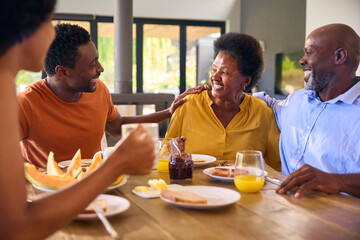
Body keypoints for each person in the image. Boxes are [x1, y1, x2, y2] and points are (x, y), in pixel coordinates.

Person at [0, 1, 155, 239]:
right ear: (26, 27)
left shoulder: (6, 83)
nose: (52, 35)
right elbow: (16, 227)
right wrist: (118, 163)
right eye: (49, 23)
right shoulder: (13, 95)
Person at [17, 23, 202, 167]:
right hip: (47, 192)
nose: (101, 69)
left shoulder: (99, 90)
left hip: (96, 185)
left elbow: (118, 127)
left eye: (98, 60)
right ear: (62, 72)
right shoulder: (26, 103)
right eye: (92, 64)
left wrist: (168, 112)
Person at [254, 24, 360, 198]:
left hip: (341, 220)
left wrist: (336, 181)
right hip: (285, 209)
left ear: (339, 56)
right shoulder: (296, 100)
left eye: (309, 52)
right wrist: (208, 92)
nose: (301, 61)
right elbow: (262, 102)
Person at [165, 33, 281, 171]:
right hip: (193, 187)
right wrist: (172, 153)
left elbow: (279, 165)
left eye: (225, 72)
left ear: (246, 81)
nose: (214, 76)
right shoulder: (188, 105)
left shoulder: (262, 113)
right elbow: (165, 154)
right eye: (214, 69)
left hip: (242, 189)